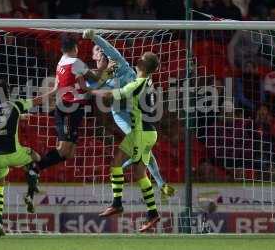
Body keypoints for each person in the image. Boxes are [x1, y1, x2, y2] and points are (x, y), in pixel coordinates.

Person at [83, 29, 174, 198]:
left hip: (136, 107)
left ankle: (158, 182)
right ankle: (159, 183)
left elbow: (109, 48)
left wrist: (94, 37)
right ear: (93, 57)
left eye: (100, 49)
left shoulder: (120, 64)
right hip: (120, 113)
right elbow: (88, 89)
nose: (100, 51)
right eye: (96, 50)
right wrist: (104, 76)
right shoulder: (93, 76)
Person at [90, 52, 161, 232]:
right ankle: (152, 214)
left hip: (140, 133)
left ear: (142, 66)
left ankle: (117, 204)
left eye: (141, 59)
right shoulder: (148, 82)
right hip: (149, 132)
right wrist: (109, 74)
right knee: (139, 173)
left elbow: (111, 96)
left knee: (116, 165)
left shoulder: (137, 83)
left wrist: (91, 90)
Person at [0, 79, 42, 236]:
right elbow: (38, 100)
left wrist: (18, 118)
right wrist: (56, 90)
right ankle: (29, 195)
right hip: (14, 153)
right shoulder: (16, 105)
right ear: (7, 91)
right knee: (35, 159)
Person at [35, 36, 103, 172]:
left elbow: (71, 81)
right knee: (63, 150)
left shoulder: (61, 62)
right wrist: (102, 68)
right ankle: (35, 168)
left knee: (69, 153)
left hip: (74, 109)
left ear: (62, 49)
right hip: (67, 109)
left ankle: (37, 167)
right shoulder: (76, 62)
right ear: (75, 48)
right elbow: (95, 77)